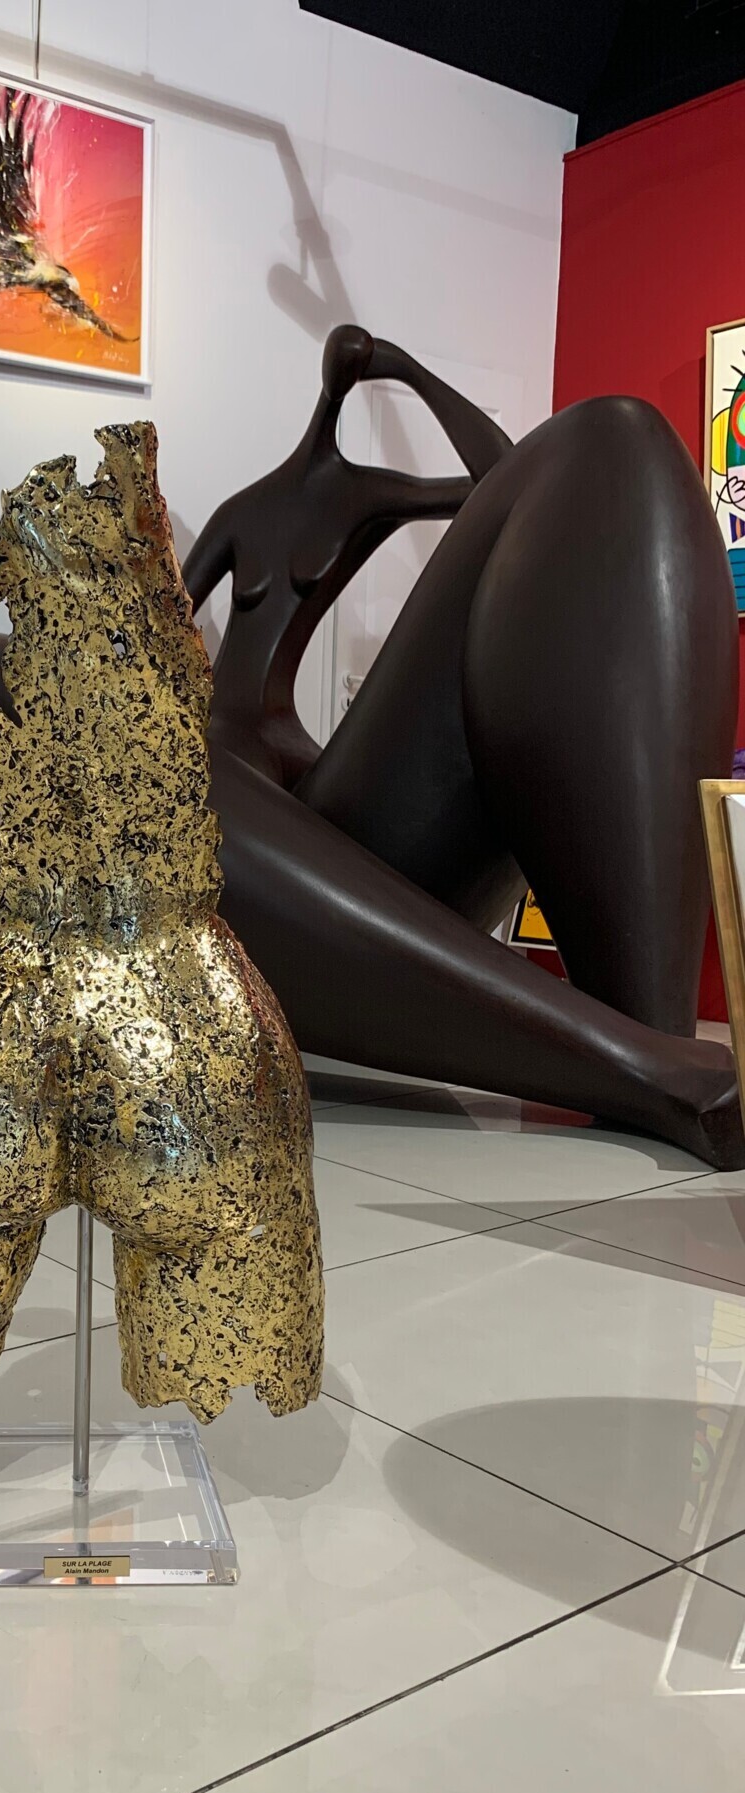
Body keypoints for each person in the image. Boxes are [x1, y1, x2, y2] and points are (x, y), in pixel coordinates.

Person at [185, 325, 743, 1168]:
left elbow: (498, 473)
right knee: (33, 691)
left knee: (612, 438)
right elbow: (158, 625)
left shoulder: (365, 493)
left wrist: (406, 372)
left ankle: (650, 1025)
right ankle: (644, 1064)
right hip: (220, 813)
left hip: (330, 817)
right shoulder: (242, 514)